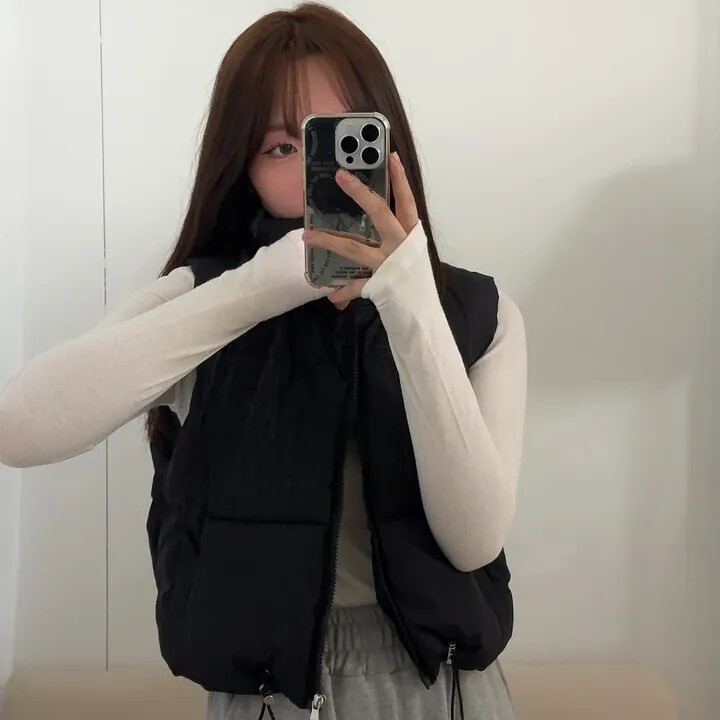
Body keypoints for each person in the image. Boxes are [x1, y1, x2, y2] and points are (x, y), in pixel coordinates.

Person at [0, 3, 527, 719]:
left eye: (343, 138)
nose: (321, 171)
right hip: (271, 699)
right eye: (282, 146)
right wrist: (264, 285)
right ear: (241, 165)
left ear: (388, 143)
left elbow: (474, 541)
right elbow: (19, 427)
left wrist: (408, 299)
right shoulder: (206, 297)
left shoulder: (479, 313)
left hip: (449, 691)